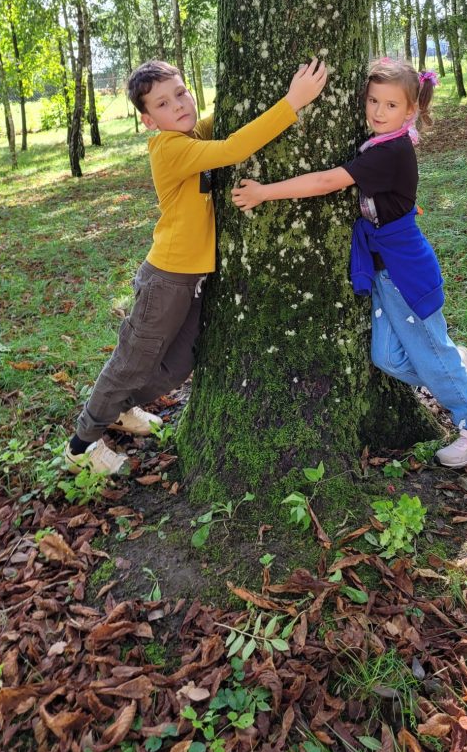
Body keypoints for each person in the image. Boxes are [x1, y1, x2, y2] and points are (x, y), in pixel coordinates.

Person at [66, 57, 328, 474]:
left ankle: (121, 409)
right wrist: (292, 101)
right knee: (133, 360)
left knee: (181, 361)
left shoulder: (191, 134)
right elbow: (234, 148)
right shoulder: (169, 147)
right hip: (166, 278)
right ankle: (81, 445)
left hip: (193, 278)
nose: (178, 105)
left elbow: (227, 123)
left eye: (181, 93)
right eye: (163, 104)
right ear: (149, 121)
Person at [231, 57, 467, 469]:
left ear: (410, 111)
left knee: (430, 353)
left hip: (405, 270)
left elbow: (326, 182)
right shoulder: (382, 143)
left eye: (390, 105)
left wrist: (264, 192)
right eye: (373, 100)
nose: (378, 111)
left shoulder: (390, 152)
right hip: (385, 270)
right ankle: (453, 367)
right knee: (386, 358)